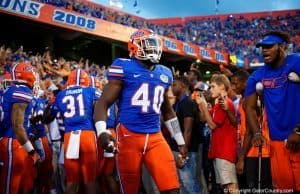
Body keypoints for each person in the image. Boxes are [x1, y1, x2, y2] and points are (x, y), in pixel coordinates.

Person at [93, 28, 188, 194]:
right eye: (148, 45)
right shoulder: (124, 67)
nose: (153, 49)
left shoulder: (164, 73)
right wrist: (101, 132)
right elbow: (103, 103)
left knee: (172, 189)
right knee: (130, 190)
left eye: (154, 45)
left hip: (155, 137)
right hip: (129, 136)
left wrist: (180, 140)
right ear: (134, 47)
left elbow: (167, 111)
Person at [245, 30, 300, 191]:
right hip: (277, 142)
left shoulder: (296, 62)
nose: (264, 51)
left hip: (297, 138)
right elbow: (248, 106)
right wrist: (256, 132)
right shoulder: (257, 76)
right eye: (262, 47)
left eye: (269, 47)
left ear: (282, 47)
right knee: (283, 188)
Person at [51, 69, 100, 194]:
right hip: (87, 134)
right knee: (90, 180)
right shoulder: (91, 91)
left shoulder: (61, 95)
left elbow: (50, 115)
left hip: (69, 136)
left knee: (72, 181)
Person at [0, 62, 40, 194]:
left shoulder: (12, 90)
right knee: (10, 185)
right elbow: (17, 125)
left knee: (19, 184)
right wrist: (31, 151)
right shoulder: (21, 90)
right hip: (13, 140)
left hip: (15, 140)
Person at [196, 74, 239, 194]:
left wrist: (204, 106)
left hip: (225, 152)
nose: (210, 90)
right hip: (219, 151)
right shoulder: (217, 104)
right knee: (225, 188)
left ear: (222, 87)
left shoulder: (224, 102)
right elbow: (203, 119)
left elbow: (212, 125)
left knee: (231, 187)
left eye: (213, 86)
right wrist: (201, 104)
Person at [232, 70, 272, 191]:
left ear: (246, 83)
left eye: (235, 83)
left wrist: (242, 158)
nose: (233, 87)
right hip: (251, 150)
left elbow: (250, 131)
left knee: (256, 188)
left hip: (256, 151)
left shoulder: (248, 102)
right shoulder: (243, 101)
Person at [171, 76, 202, 193]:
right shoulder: (178, 103)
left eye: (174, 84)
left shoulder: (187, 102)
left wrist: (182, 153)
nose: (172, 87)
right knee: (182, 185)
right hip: (178, 147)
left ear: (183, 85)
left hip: (186, 150)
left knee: (190, 184)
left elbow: (188, 130)